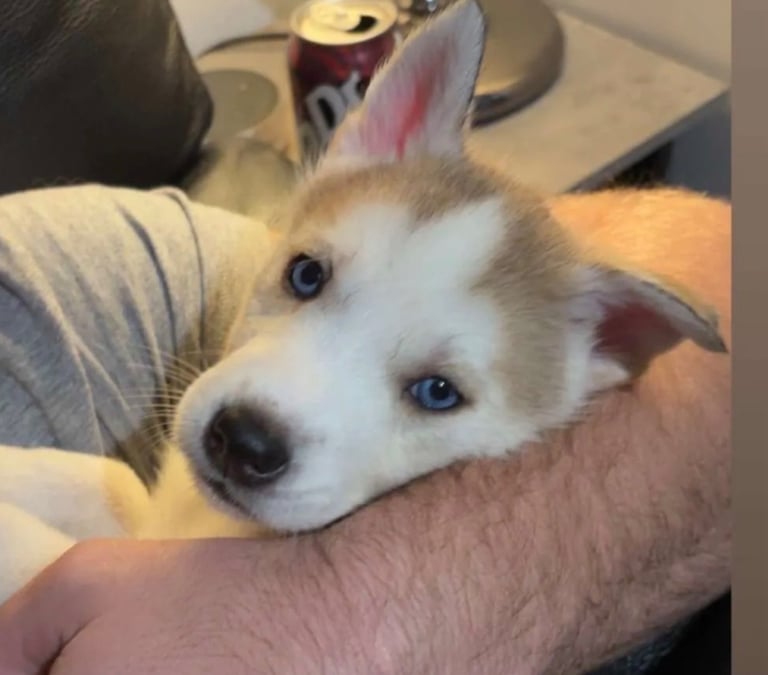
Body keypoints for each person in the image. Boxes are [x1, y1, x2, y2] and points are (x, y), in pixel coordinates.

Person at [0, 181, 730, 675]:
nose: (271, 417)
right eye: (309, 278)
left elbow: (723, 258)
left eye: (435, 391)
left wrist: (344, 608)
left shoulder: (111, 263)